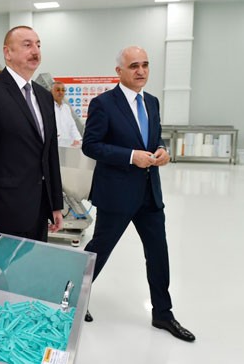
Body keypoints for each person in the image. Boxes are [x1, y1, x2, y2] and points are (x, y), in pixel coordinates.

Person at [81, 46, 195, 342]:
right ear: (119, 71)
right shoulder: (104, 104)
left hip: (149, 194)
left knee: (158, 253)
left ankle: (163, 314)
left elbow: (154, 138)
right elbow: (90, 145)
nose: (141, 71)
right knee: (99, 250)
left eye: (145, 65)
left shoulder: (152, 102)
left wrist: (162, 150)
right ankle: (73, 302)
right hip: (116, 193)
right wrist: (131, 156)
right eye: (134, 66)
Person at [0, 26, 63, 242]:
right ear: (7, 52)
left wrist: (56, 204)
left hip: (39, 209)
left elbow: (50, 153)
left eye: (38, 45)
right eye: (27, 45)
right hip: (4, 211)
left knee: (33, 263)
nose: (35, 51)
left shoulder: (44, 96)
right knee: (2, 265)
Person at [51, 81, 82, 147]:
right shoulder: (47, 107)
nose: (61, 92)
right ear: (51, 92)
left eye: (63, 90)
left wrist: (78, 140)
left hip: (67, 145)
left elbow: (72, 126)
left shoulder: (66, 108)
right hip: (53, 145)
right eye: (57, 90)